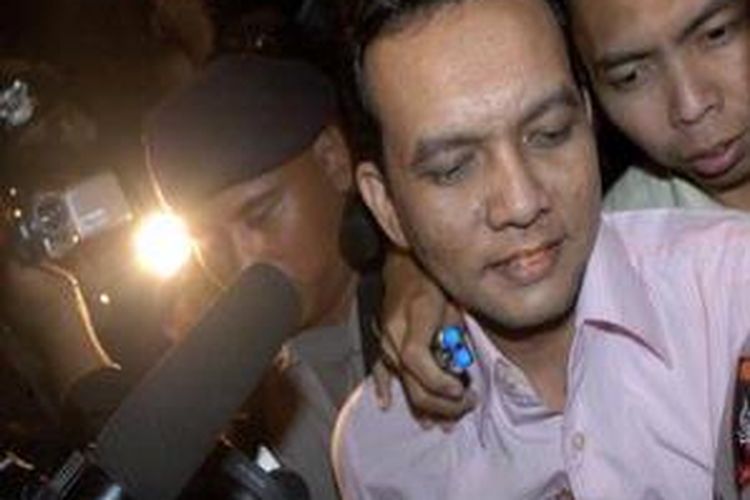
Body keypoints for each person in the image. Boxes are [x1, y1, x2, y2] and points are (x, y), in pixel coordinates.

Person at [331, 0, 750, 497]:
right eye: (453, 169)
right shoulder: (380, 451)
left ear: (589, 122)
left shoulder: (731, 293)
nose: (522, 202)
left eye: (549, 135)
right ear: (386, 207)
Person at [145, 53, 372, 499]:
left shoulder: (438, 301)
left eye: (260, 215)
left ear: (333, 160)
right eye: (209, 242)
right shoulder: (258, 393)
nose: (243, 262)